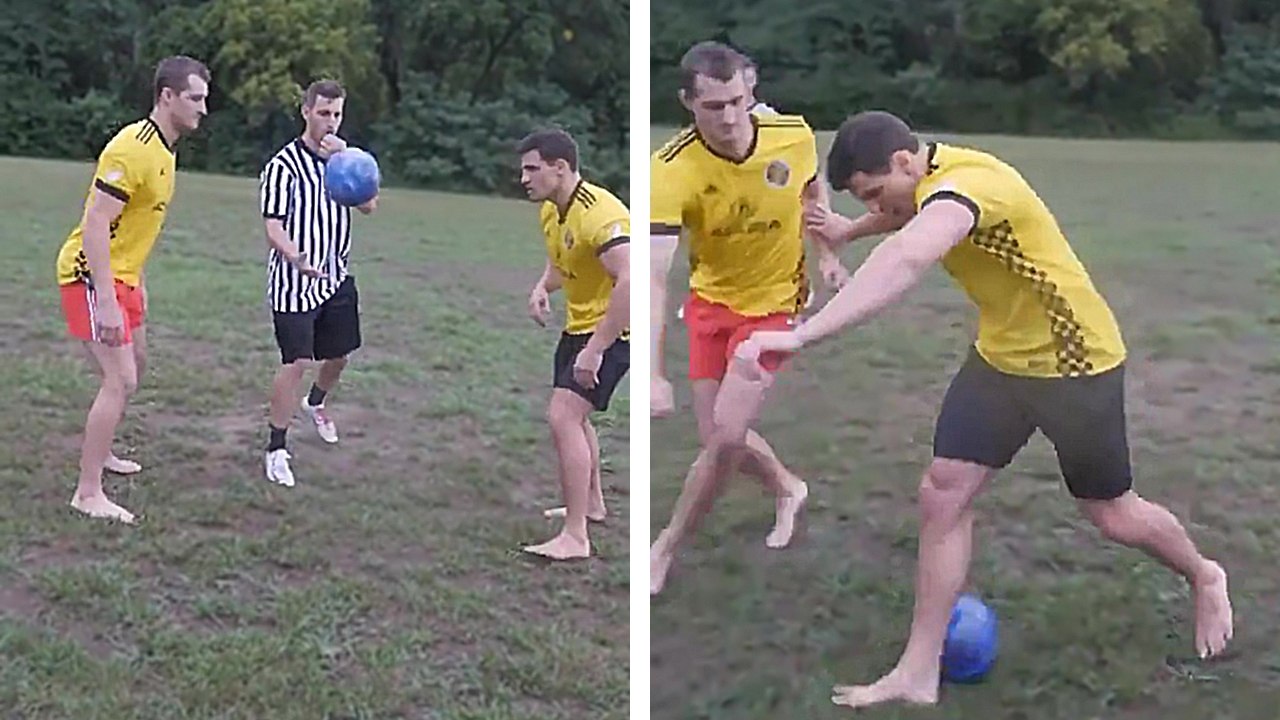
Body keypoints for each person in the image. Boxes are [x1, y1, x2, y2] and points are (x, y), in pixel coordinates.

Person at [737, 110, 1234, 710]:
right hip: (1002, 358)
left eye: (874, 192)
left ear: (903, 162)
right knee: (943, 492)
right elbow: (900, 211)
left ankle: (1205, 574)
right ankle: (917, 672)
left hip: (1073, 361)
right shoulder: (925, 173)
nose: (877, 205)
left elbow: (910, 254)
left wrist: (801, 335)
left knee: (1111, 513)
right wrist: (848, 232)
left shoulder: (968, 187)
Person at [648, 41, 846, 595]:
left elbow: (813, 196)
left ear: (752, 85)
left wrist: (829, 254)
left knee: (726, 437)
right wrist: (653, 370)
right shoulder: (667, 171)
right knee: (718, 435)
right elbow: (651, 276)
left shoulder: (794, 135)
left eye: (737, 100)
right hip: (711, 303)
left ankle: (663, 548)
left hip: (777, 304)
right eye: (714, 107)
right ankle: (788, 487)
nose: (731, 117)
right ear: (688, 102)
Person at [54, 55, 211, 524]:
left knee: (135, 367)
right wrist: (105, 298)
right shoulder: (133, 147)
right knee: (119, 379)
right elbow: (97, 221)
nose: (204, 108)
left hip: (124, 277)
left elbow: (133, 226)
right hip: (88, 275)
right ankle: (87, 492)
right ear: (167, 97)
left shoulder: (165, 149)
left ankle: (100, 454)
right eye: (196, 98)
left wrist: (135, 281)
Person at [517, 128, 630, 560]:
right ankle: (594, 504)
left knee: (563, 417)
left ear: (560, 168)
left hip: (615, 330)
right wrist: (542, 287)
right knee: (576, 420)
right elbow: (564, 258)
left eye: (532, 168)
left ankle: (576, 537)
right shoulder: (552, 210)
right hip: (579, 325)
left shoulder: (599, 213)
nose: (524, 178)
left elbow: (631, 280)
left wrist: (596, 349)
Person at [258, 79, 377, 487]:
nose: (330, 122)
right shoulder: (283, 166)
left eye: (337, 114)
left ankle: (316, 403)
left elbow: (369, 206)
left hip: (335, 274)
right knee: (296, 362)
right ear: (306, 111)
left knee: (340, 355)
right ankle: (276, 448)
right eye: (323, 113)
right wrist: (296, 257)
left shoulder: (344, 159)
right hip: (294, 281)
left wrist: (349, 162)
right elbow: (273, 227)